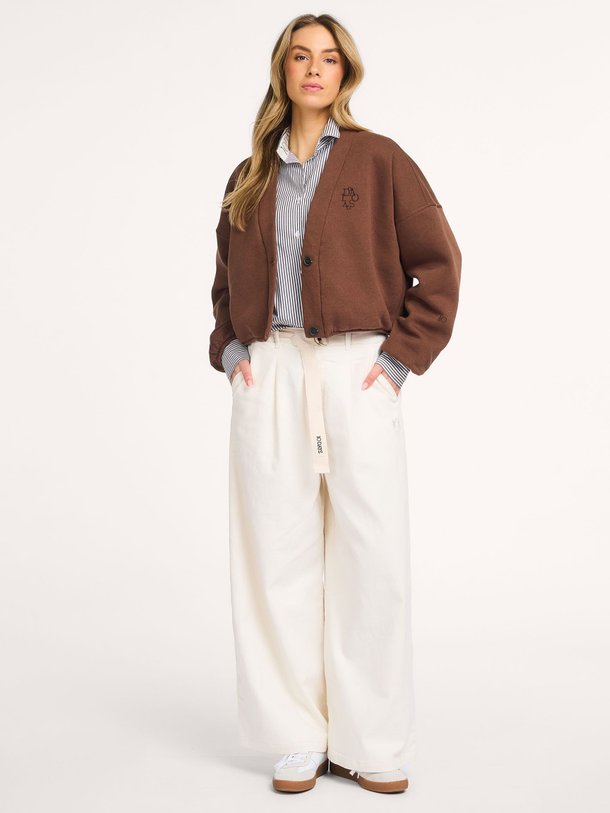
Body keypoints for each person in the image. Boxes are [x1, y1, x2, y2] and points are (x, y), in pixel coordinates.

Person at [209, 13, 462, 795]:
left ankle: (370, 738)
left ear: (345, 73)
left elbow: (439, 263)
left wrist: (398, 359)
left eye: (328, 58)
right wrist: (234, 354)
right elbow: (224, 285)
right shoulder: (249, 175)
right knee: (275, 554)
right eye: (300, 56)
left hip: (358, 367)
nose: (314, 69)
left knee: (370, 551)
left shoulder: (379, 160)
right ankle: (295, 735)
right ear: (283, 70)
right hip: (272, 368)